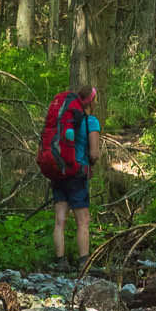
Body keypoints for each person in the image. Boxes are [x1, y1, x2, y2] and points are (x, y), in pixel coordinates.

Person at [39, 85, 102, 268]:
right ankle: (84, 262)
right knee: (83, 220)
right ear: (91, 101)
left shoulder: (64, 119)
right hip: (77, 174)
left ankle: (61, 261)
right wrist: (92, 164)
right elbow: (94, 153)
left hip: (59, 171)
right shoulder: (91, 121)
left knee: (60, 220)